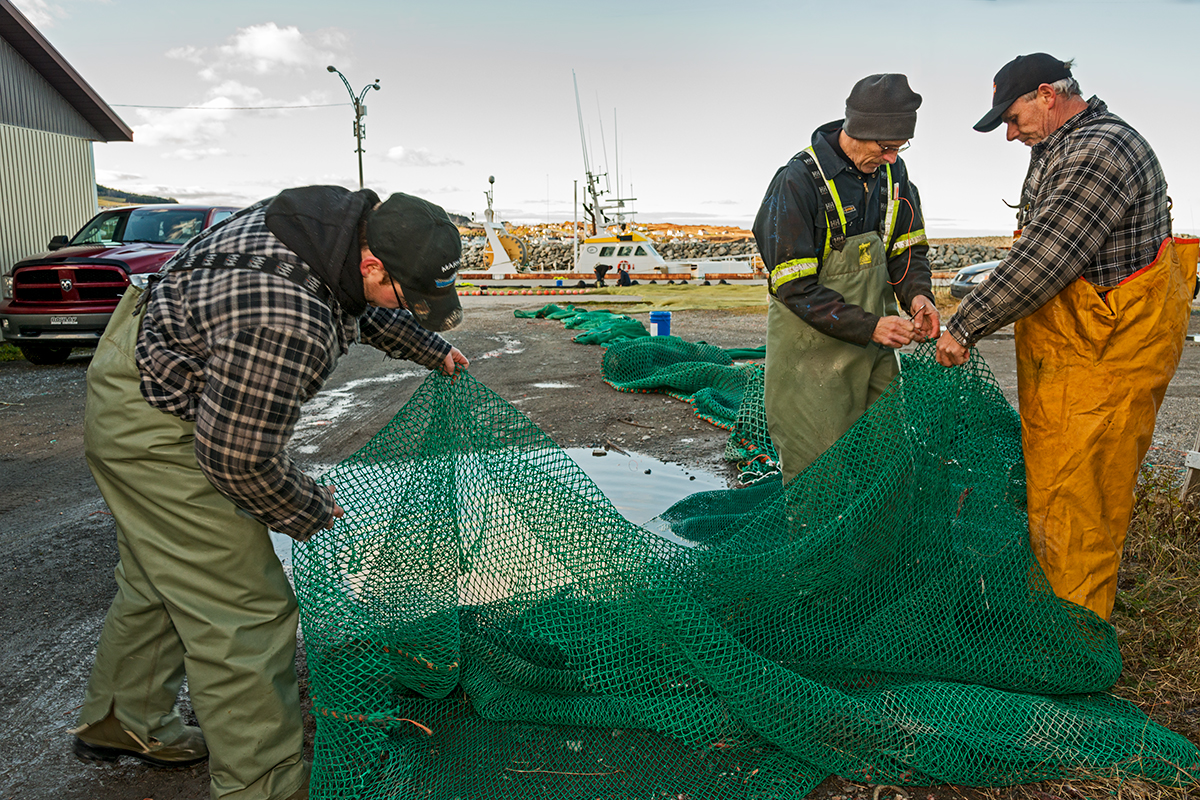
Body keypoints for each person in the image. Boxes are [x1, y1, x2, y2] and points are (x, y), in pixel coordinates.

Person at [71, 185, 470, 800]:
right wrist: (310, 508)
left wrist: (429, 346)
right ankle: (264, 786)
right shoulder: (288, 321)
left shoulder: (328, 225)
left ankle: (125, 721)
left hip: (142, 359)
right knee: (244, 609)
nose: (412, 306)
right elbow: (237, 462)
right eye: (409, 295)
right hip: (162, 425)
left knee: (162, 577)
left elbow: (357, 301)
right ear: (372, 262)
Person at [935, 54, 1196, 621]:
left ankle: (1073, 642)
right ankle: (1050, 615)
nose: (1010, 134)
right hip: (1074, 357)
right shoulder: (1061, 146)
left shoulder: (1101, 150)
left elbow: (1047, 256)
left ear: (1047, 94)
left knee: (1083, 501)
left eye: (1012, 117)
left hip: (1107, 358)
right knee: (1056, 491)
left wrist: (965, 324)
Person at [753, 74, 940, 483]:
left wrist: (918, 296)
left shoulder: (894, 173)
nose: (891, 158)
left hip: (875, 350)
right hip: (809, 359)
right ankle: (816, 530)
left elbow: (906, 250)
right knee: (819, 473)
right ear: (857, 129)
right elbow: (794, 287)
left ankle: (884, 528)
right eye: (885, 147)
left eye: (899, 147)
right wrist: (871, 326)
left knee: (887, 459)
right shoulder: (796, 181)